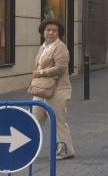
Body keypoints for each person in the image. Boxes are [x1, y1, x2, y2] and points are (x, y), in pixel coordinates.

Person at [31, 18, 75, 160]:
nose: (50, 33)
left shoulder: (60, 47)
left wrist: (42, 72)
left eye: (54, 30)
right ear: (43, 31)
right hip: (41, 90)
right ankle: (27, 148)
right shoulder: (43, 47)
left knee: (57, 121)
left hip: (58, 90)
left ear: (58, 33)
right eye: (48, 30)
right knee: (33, 119)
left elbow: (61, 68)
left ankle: (65, 150)